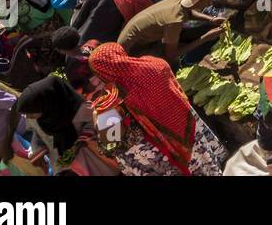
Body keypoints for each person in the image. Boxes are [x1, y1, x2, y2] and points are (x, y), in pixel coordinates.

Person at [87, 42, 228, 175]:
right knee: (204, 160)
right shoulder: (155, 63)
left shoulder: (113, 100)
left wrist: (97, 117)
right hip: (187, 124)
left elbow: (111, 142)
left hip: (164, 149)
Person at [117, 0, 225, 62]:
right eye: (209, 1)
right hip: (131, 50)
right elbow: (171, 56)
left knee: (184, 37)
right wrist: (206, 38)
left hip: (138, 35)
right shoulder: (174, 22)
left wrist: (211, 19)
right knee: (171, 63)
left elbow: (188, 10)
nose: (210, 4)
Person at [16, 75, 85, 167]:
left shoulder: (81, 112)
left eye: (31, 113)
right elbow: (39, 135)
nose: (28, 117)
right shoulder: (46, 119)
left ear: (46, 104)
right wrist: (37, 149)